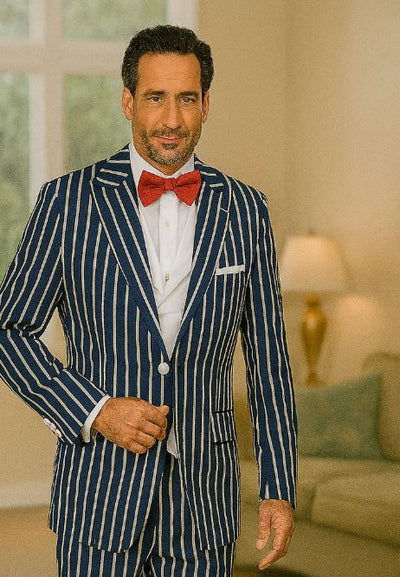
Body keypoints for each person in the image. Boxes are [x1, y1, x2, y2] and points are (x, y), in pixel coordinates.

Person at [0, 25, 297, 577]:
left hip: (202, 505)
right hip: (99, 497)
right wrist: (95, 411)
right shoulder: (67, 202)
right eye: (155, 97)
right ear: (127, 101)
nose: (172, 119)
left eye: (187, 98)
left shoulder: (246, 210)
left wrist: (279, 488)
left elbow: (269, 363)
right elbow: (9, 332)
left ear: (206, 104)